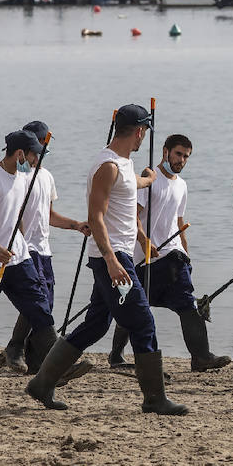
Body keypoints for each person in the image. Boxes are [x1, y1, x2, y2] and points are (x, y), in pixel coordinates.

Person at [26, 104, 188, 416]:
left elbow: (129, 186)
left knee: (96, 324)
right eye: (145, 132)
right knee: (143, 322)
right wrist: (112, 260)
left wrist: (150, 179)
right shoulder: (108, 166)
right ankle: (154, 398)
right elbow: (96, 217)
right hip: (112, 258)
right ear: (139, 131)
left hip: (116, 255)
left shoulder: (125, 163)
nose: (144, 137)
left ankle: (42, 383)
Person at [107, 133, 231, 373]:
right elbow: (132, 215)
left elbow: (179, 220)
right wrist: (144, 241)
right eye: (178, 154)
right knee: (135, 304)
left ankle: (201, 356)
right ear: (165, 152)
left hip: (173, 256)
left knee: (186, 303)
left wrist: (186, 251)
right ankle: (116, 354)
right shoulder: (148, 179)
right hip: (145, 258)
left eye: (186, 156)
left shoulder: (181, 185)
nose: (181, 160)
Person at [0, 130, 62, 377]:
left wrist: (22, 245)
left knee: (39, 308)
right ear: (19, 154)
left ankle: (58, 367)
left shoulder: (22, 178)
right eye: (33, 156)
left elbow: (17, 217)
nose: (36, 161)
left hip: (19, 259)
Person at [1, 120, 90, 374]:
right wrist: (19, 245)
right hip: (25, 250)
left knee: (45, 304)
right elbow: (13, 216)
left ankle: (31, 356)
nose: (39, 157)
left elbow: (48, 214)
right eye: (37, 151)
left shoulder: (47, 177)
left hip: (44, 249)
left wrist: (76, 225)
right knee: (37, 303)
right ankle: (16, 347)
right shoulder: (17, 177)